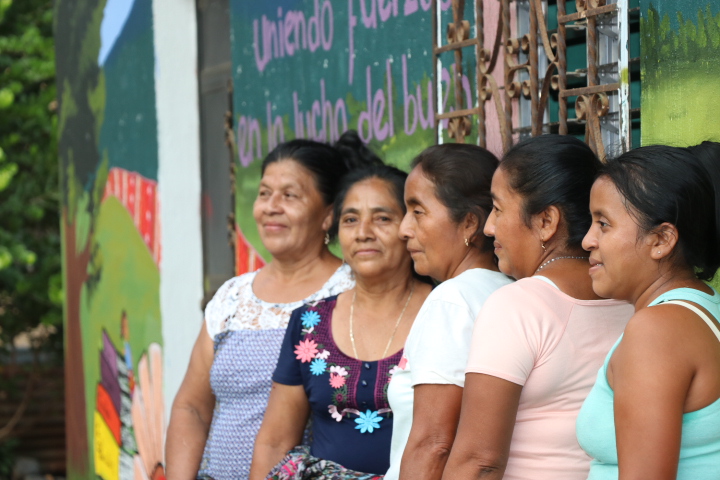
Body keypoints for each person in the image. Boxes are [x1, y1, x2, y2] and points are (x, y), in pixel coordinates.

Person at [166, 133, 373, 480]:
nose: (271, 206)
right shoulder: (234, 296)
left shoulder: (352, 291)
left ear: (328, 214)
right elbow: (192, 407)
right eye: (264, 194)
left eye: (290, 195)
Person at [442, 135, 633, 480]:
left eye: (498, 209)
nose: (489, 227)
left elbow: (478, 461)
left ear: (546, 221)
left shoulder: (518, 305)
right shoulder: (630, 298)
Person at [250, 164, 433, 479]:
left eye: (382, 218)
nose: (363, 232)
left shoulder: (442, 312)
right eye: (350, 220)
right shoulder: (309, 323)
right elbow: (275, 441)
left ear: (408, 226)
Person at [576, 144, 720, 480]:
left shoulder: (657, 330)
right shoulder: (703, 306)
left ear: (661, 240)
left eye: (603, 224)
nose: (587, 240)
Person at [385, 144, 513, 480]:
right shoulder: (510, 292)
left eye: (418, 212)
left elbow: (433, 443)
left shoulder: (452, 301)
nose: (404, 229)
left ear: (470, 222)